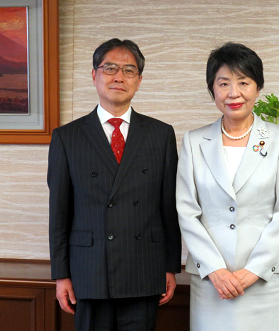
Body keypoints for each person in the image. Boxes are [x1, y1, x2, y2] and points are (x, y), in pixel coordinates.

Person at [48, 38, 181, 331]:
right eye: (110, 68)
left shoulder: (160, 134)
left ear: (139, 80)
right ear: (94, 75)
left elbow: (169, 207)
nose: (119, 76)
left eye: (129, 70)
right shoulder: (66, 137)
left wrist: (171, 266)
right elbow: (59, 213)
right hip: (88, 270)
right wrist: (61, 275)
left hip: (144, 269)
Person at [176, 42, 279, 331]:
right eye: (224, 83)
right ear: (213, 91)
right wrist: (217, 270)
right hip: (211, 281)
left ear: (258, 88)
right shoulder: (194, 142)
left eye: (243, 82)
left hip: (266, 279)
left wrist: (252, 270)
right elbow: (186, 211)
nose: (234, 93)